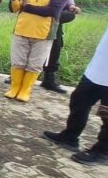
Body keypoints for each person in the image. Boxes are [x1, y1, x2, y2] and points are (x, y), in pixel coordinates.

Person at [4, 0, 69, 103]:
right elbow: (14, 8)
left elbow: (52, 11)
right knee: (18, 62)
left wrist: (26, 7)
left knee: (35, 64)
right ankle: (15, 88)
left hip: (43, 34)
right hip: (21, 30)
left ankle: (25, 90)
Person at [42, 25, 108, 165]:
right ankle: (70, 136)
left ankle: (102, 151)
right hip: (97, 69)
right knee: (78, 101)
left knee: (107, 116)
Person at [33, 0, 80, 93]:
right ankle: (17, 75)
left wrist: (71, 5)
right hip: (35, 17)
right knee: (28, 46)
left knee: (55, 46)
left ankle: (49, 79)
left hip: (54, 19)